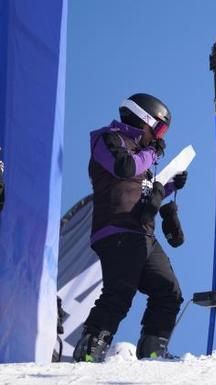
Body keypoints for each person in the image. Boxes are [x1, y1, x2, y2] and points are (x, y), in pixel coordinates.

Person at [73, 93, 188, 362]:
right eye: (159, 129)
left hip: (142, 234)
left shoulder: (141, 154)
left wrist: (170, 185)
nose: (160, 137)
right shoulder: (109, 139)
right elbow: (124, 168)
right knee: (119, 292)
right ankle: (90, 350)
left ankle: (152, 351)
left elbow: (143, 191)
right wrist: (151, 152)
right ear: (143, 120)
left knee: (168, 291)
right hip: (117, 229)